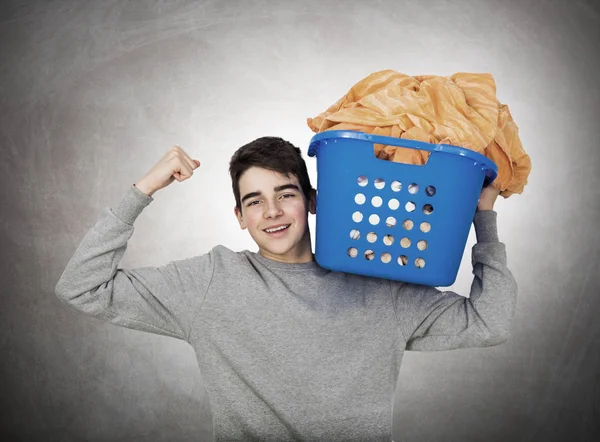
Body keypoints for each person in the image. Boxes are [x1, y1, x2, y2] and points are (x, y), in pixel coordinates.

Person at [55, 136, 517, 441]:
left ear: (313, 200)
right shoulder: (210, 282)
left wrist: (483, 217)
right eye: (254, 201)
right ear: (240, 217)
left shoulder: (378, 289)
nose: (272, 211)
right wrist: (145, 188)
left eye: (286, 194)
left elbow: (488, 323)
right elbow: (83, 286)